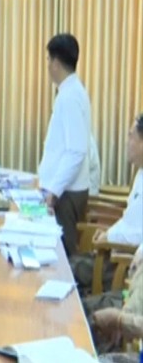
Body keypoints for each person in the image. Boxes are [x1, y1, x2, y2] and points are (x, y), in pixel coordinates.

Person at [71, 117, 143, 294]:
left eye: (131, 136)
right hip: (114, 252)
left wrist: (108, 237)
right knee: (66, 264)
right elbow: (129, 221)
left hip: (123, 263)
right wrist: (107, 232)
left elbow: (138, 234)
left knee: (67, 271)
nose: (127, 142)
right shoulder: (140, 173)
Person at [38, 33, 92, 255]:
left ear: (56, 63)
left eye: (48, 60)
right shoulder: (71, 91)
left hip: (66, 194)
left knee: (64, 258)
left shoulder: (70, 97)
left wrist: (54, 191)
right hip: (64, 191)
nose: (47, 65)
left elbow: (76, 151)